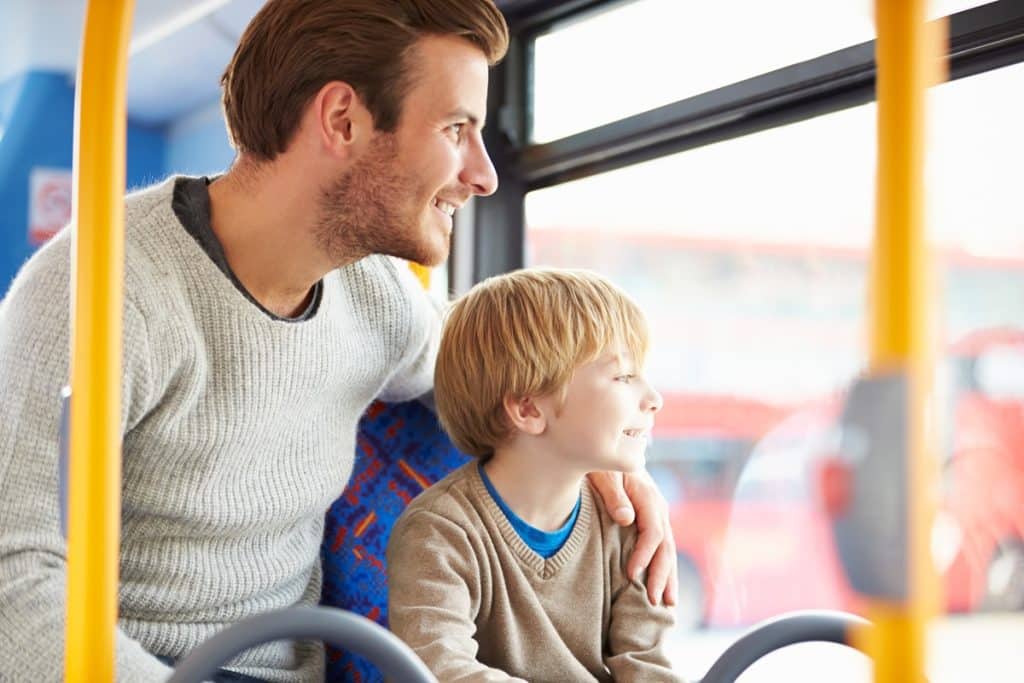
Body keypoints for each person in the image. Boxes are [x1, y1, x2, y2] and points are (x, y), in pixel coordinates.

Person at [0, 2, 675, 681]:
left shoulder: (378, 296)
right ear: (343, 120)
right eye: (456, 129)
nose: (484, 175)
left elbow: (520, 388)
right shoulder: (100, 288)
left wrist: (610, 469)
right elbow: (13, 576)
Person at [387, 268, 683, 682]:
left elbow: (648, 666)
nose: (654, 399)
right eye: (623, 377)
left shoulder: (628, 525)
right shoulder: (439, 531)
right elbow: (440, 668)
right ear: (528, 410)